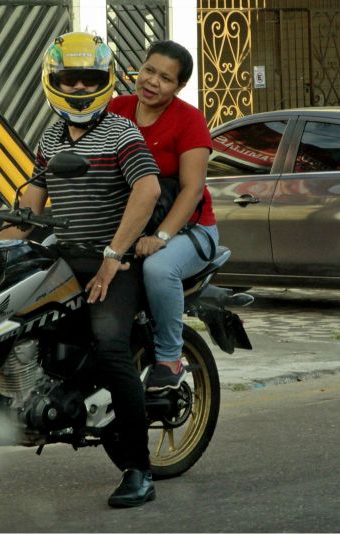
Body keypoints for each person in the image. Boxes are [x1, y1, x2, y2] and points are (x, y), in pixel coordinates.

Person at [0, 31, 161, 508]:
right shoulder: (50, 136)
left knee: (111, 350)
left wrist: (113, 258)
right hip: (65, 258)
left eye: (87, 79)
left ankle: (138, 469)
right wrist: (7, 236)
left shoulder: (121, 133)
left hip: (114, 260)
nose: (77, 88)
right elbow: (34, 192)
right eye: (68, 80)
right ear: (54, 82)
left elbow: (147, 190)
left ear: (105, 81)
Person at [108, 40, 218, 392]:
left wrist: (162, 238)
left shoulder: (189, 120)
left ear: (179, 87)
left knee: (159, 267)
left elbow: (192, 190)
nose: (153, 82)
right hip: (130, 223)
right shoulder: (115, 109)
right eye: (149, 71)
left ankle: (169, 359)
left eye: (165, 78)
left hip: (190, 228)